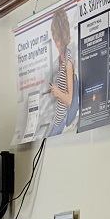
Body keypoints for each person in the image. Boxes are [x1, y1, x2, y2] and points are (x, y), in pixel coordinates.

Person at [40, 8, 77, 136]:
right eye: (55, 39)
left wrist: (57, 92)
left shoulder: (68, 63)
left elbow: (69, 100)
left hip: (62, 120)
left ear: (63, 36)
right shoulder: (60, 60)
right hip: (56, 119)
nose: (56, 43)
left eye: (58, 39)